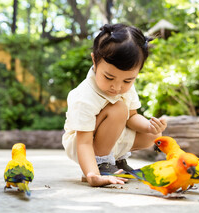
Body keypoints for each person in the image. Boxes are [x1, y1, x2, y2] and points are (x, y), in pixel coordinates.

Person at [62, 23, 167, 187]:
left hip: (112, 137)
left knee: (154, 135)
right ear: (95, 62)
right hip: (82, 142)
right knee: (118, 109)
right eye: (109, 78)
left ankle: (117, 162)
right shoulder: (85, 96)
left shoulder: (125, 88)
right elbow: (84, 142)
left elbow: (132, 117)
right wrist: (92, 175)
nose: (117, 87)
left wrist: (150, 126)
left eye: (127, 80)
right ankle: (100, 164)